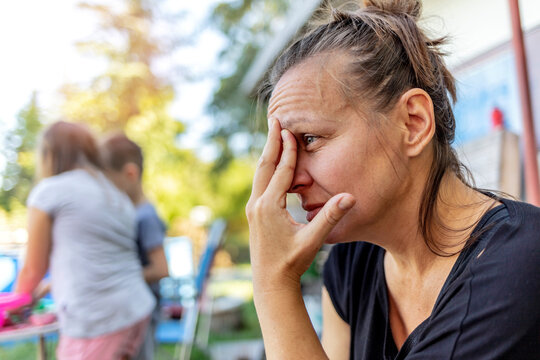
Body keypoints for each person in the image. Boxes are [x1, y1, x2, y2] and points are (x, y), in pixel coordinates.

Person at [245, 0, 540, 359]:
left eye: (309, 140)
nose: (289, 181)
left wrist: (273, 283)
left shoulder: (521, 263)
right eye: (283, 152)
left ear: (413, 124)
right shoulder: (350, 265)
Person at [15, 121, 155, 360]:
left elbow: (32, 269)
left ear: (50, 154)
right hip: (137, 307)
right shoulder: (115, 194)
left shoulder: (50, 191)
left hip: (98, 319)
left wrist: (12, 309)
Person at [100, 132, 169, 360]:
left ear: (130, 173)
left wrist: (118, 277)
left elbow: (161, 269)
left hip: (144, 310)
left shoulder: (145, 216)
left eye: (108, 182)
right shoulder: (133, 214)